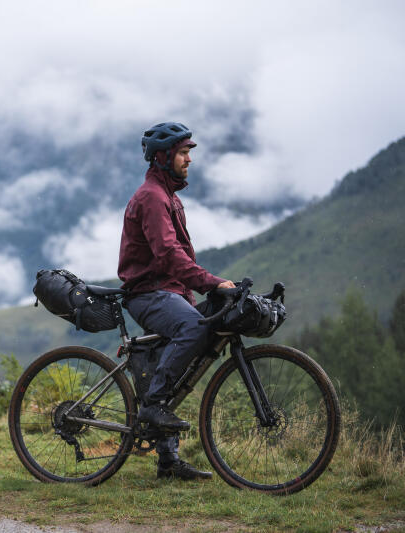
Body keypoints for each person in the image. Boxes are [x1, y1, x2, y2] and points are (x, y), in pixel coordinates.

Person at [118, 122, 235, 480]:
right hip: (146, 294)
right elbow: (169, 255)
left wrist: (196, 291)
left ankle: (168, 462)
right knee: (191, 328)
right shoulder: (153, 198)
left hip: (167, 291)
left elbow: (178, 256)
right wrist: (212, 284)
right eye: (184, 153)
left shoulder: (169, 195)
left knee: (177, 358)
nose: (189, 160)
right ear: (163, 156)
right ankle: (152, 407)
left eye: (188, 153)